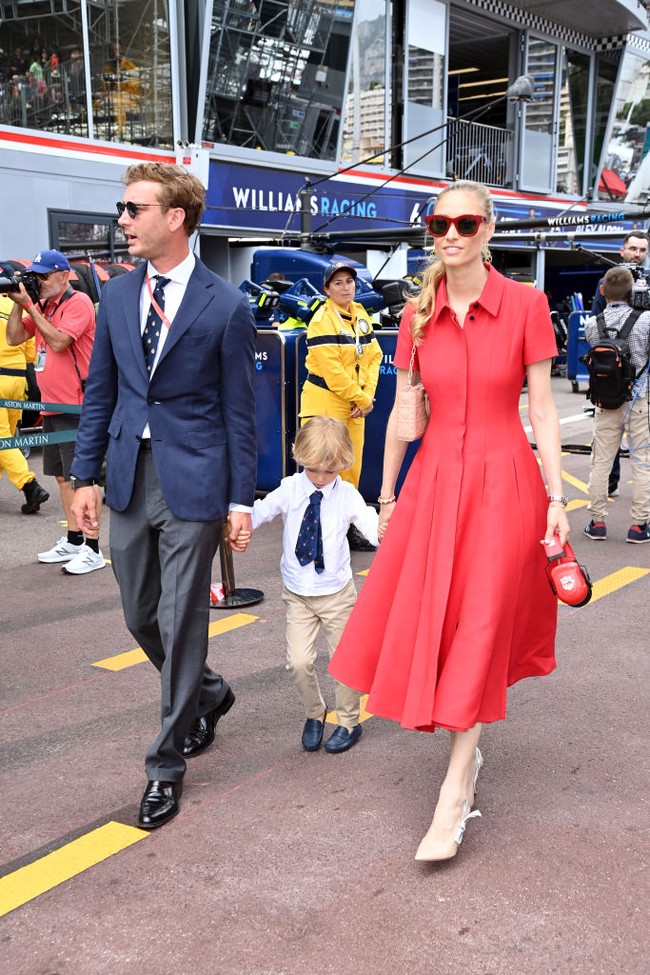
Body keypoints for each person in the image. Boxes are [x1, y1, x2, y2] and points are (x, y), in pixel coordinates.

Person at [329, 180, 570, 863]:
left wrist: (557, 498)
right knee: (437, 616)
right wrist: (385, 496)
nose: (452, 235)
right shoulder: (416, 314)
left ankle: (456, 786)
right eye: (441, 224)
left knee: (483, 620)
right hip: (434, 483)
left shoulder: (526, 304)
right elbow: (403, 414)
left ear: (489, 228)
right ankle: (465, 755)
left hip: (505, 482)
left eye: (466, 223)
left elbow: (543, 410)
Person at [69, 162, 257, 829]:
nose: (123, 220)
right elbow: (100, 393)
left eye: (134, 209)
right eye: (123, 208)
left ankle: (165, 765)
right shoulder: (117, 297)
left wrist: (241, 501)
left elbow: (240, 413)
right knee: (139, 615)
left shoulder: (226, 304)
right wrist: (84, 476)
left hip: (196, 479)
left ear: (175, 218)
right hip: (127, 473)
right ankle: (210, 692)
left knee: (181, 622)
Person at [250, 416, 379, 753]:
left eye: (330, 471)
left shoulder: (347, 495)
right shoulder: (291, 488)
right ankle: (315, 711)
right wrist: (237, 522)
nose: (321, 478)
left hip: (337, 594)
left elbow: (371, 525)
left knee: (343, 662)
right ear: (300, 457)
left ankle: (348, 721)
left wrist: (387, 534)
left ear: (343, 464)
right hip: (298, 594)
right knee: (298, 661)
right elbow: (261, 511)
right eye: (313, 469)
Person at [5, 249, 103, 573]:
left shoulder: (78, 303)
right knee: (62, 477)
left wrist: (31, 307)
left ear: (63, 275)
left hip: (76, 407)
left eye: (44, 276)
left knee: (82, 479)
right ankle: (74, 539)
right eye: (36, 276)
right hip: (50, 408)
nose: (40, 282)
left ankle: (93, 548)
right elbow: (14, 337)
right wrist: (19, 303)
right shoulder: (44, 306)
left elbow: (60, 341)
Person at [299, 261, 383, 551]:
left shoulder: (360, 314)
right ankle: (317, 531)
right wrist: (362, 399)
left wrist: (366, 395)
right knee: (322, 468)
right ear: (326, 289)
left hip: (354, 404)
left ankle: (345, 528)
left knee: (350, 468)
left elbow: (374, 356)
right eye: (338, 283)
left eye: (349, 282)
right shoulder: (322, 320)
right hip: (325, 402)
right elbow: (333, 372)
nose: (346, 287)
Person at [583, 266, 650, 543]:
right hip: (639, 401)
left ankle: (597, 522)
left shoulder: (592, 324)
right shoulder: (646, 320)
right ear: (632, 292)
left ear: (602, 291)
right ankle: (639, 526)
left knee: (601, 462)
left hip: (605, 402)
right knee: (642, 463)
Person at [590, 231, 649, 497]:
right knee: (610, 443)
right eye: (633, 248)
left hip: (643, 375)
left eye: (643, 250)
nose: (638, 254)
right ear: (622, 250)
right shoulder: (607, 282)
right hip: (613, 372)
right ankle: (611, 483)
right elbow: (597, 321)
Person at [0, 282, 49, 514]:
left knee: (2, 439)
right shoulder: (17, 306)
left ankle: (29, 485)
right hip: (18, 380)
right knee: (6, 439)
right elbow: (31, 353)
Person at [101, 41, 141, 139]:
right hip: (111, 99)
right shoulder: (107, 68)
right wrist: (103, 93)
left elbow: (133, 89)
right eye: (111, 51)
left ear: (122, 51)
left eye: (117, 50)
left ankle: (120, 132)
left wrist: (115, 94)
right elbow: (103, 87)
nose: (114, 53)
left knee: (118, 103)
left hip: (130, 99)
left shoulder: (130, 66)